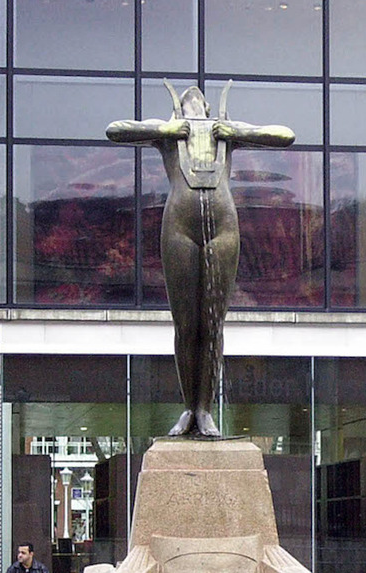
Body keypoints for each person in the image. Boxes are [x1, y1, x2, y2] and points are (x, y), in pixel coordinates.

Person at [106, 82, 294, 437]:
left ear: (210, 110)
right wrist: (165, 128)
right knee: (185, 325)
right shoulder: (169, 135)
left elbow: (286, 136)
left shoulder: (225, 135)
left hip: (222, 226)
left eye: (200, 104)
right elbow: (116, 130)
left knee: (212, 325)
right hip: (179, 226)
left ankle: (205, 410)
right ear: (177, 110)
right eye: (187, 104)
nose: (194, 105)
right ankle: (189, 408)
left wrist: (235, 130)